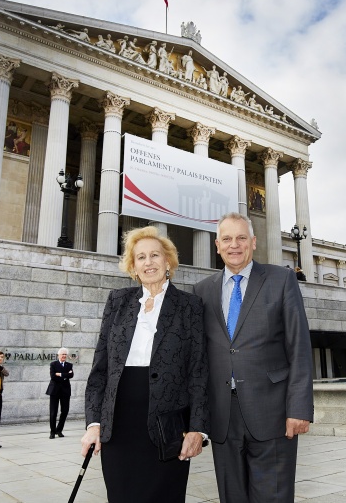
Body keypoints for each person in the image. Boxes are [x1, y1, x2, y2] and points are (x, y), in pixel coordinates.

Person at [81, 227, 208, 503]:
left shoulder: (190, 306)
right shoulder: (117, 302)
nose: (148, 262)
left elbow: (198, 372)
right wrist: (93, 423)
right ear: (133, 267)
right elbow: (100, 371)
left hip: (168, 428)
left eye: (154, 255)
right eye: (140, 257)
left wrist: (197, 428)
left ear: (168, 262)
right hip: (118, 427)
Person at [193, 212, 314, 503]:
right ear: (217, 245)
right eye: (227, 239)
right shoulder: (201, 291)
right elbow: (198, 359)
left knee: (272, 496)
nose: (234, 245)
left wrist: (298, 408)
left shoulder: (281, 279)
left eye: (241, 238)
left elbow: (299, 346)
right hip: (223, 416)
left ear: (254, 242)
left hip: (272, 411)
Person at [46, 347, 73, 439]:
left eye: (65, 354)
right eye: (62, 354)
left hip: (65, 391)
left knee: (65, 411)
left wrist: (60, 374)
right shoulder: (53, 364)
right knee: (53, 412)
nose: (64, 356)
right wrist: (65, 375)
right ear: (58, 355)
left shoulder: (69, 365)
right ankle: (52, 431)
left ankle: (59, 430)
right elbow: (53, 376)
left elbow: (71, 375)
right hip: (54, 391)